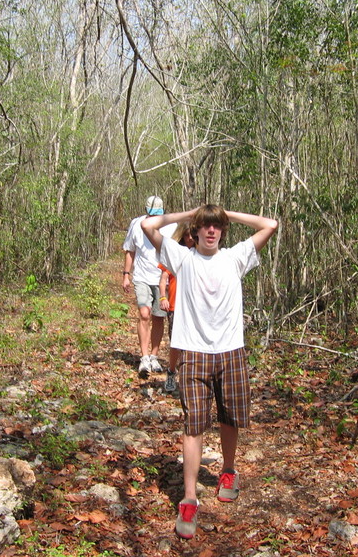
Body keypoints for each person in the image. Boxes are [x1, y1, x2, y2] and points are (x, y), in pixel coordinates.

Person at [141, 205, 278, 540]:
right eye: (206, 226)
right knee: (194, 423)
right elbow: (148, 224)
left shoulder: (235, 258)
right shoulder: (182, 259)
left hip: (230, 351)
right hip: (193, 353)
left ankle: (228, 471)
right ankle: (189, 499)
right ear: (196, 230)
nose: (212, 231)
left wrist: (227, 212)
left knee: (229, 417)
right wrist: (189, 212)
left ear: (223, 230)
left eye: (217, 226)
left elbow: (270, 224)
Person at [122, 196, 177, 377]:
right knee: (144, 314)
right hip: (142, 277)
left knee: (158, 317)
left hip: (162, 279)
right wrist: (126, 275)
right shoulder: (136, 224)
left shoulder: (171, 226)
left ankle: (154, 355)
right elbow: (130, 250)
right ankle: (144, 357)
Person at [157, 223, 195, 393]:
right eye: (187, 235)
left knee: (193, 343)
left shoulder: (201, 255)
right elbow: (163, 278)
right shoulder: (174, 255)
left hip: (194, 307)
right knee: (176, 343)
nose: (190, 239)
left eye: (193, 235)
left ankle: (190, 376)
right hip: (175, 306)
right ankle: (172, 372)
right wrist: (163, 297)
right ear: (182, 236)